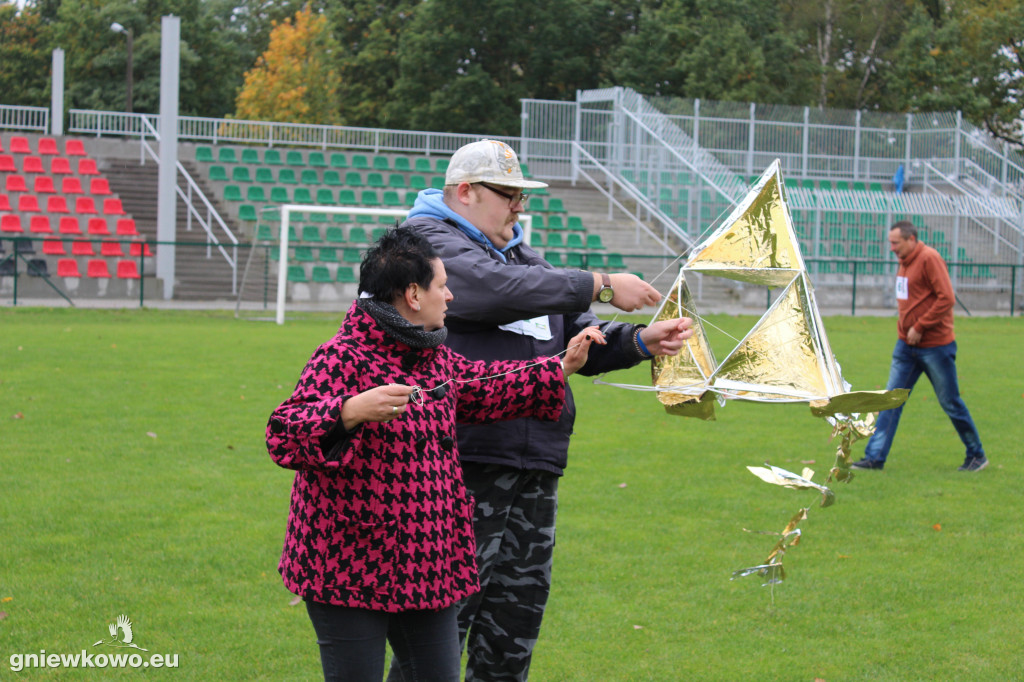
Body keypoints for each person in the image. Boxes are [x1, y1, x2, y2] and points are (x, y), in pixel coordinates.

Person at [389, 139, 694, 681]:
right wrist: (599, 283)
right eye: (507, 195)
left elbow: (571, 333)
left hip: (532, 464)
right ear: (464, 192)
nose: (518, 207)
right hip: (460, 462)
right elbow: (486, 291)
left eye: (521, 196)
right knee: (437, 638)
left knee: (512, 632)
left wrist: (641, 340)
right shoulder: (423, 243)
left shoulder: (523, 258)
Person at [266, 225, 605, 682]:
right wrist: (348, 411)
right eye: (442, 287)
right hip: (348, 568)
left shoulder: (434, 358)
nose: (449, 298)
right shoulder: (341, 357)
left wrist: (560, 366)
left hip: (428, 562)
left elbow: (485, 388)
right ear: (412, 294)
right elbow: (283, 433)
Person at [852, 220, 987, 472]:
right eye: (890, 243)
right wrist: (906, 329)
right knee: (891, 401)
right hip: (906, 346)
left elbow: (946, 297)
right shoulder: (904, 262)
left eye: (896, 243)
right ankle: (874, 458)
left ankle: (976, 454)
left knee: (950, 402)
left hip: (935, 346)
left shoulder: (929, 258)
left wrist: (920, 326)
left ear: (911, 239)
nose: (891, 248)